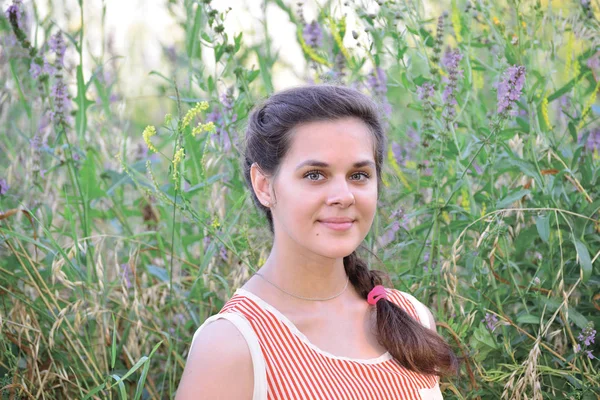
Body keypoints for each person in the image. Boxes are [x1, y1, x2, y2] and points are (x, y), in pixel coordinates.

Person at [175, 84, 459, 400]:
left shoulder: (410, 317)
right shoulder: (232, 345)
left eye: (359, 175)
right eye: (315, 175)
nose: (343, 196)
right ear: (264, 185)